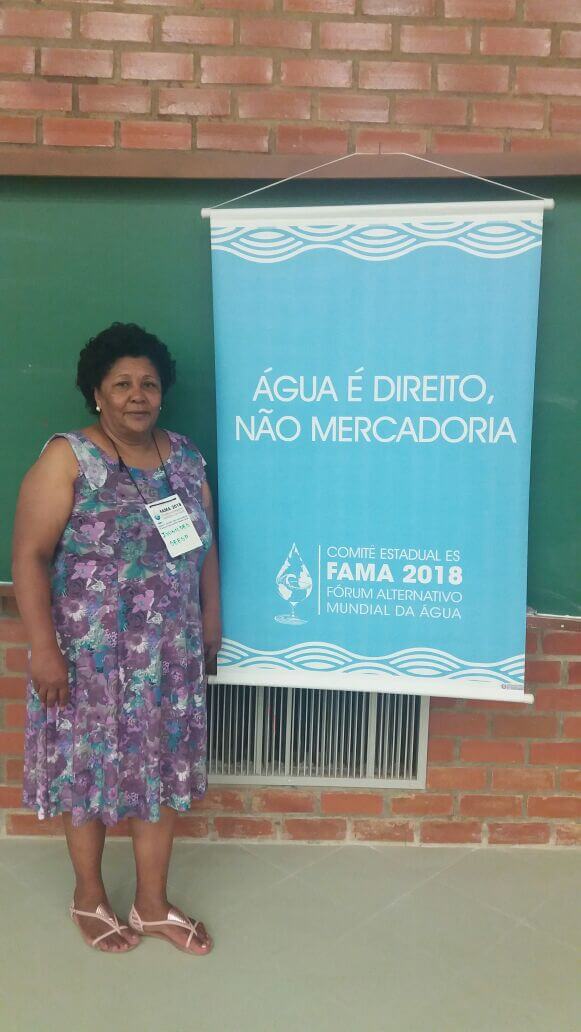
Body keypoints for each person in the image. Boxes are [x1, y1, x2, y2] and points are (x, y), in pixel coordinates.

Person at [12, 322, 221, 955]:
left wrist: (211, 619)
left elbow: (205, 547)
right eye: (122, 384)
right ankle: (88, 897)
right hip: (88, 659)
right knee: (88, 774)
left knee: (161, 773)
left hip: (169, 658)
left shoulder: (185, 458)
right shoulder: (68, 457)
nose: (138, 395)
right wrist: (44, 650)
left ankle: (152, 905)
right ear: (97, 394)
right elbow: (29, 557)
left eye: (149, 384)